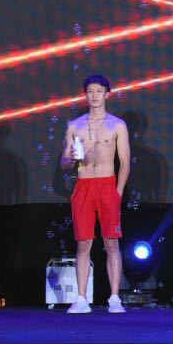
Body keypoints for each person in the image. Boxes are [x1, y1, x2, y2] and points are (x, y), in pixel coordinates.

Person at [62, 73, 131, 314]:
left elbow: (125, 162)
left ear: (107, 95)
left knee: (111, 242)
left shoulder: (117, 125)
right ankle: (81, 298)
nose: (94, 96)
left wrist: (118, 191)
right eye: (90, 91)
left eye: (99, 91)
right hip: (83, 185)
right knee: (83, 243)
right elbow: (64, 163)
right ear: (85, 95)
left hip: (107, 184)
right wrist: (70, 158)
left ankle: (115, 297)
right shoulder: (74, 126)